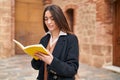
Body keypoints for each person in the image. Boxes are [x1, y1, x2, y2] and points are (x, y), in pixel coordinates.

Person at [31, 4, 79, 80]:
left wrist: (52, 61)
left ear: (59, 18)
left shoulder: (71, 39)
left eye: (52, 18)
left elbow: (72, 70)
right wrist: (36, 57)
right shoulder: (44, 39)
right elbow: (35, 66)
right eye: (46, 19)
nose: (49, 22)